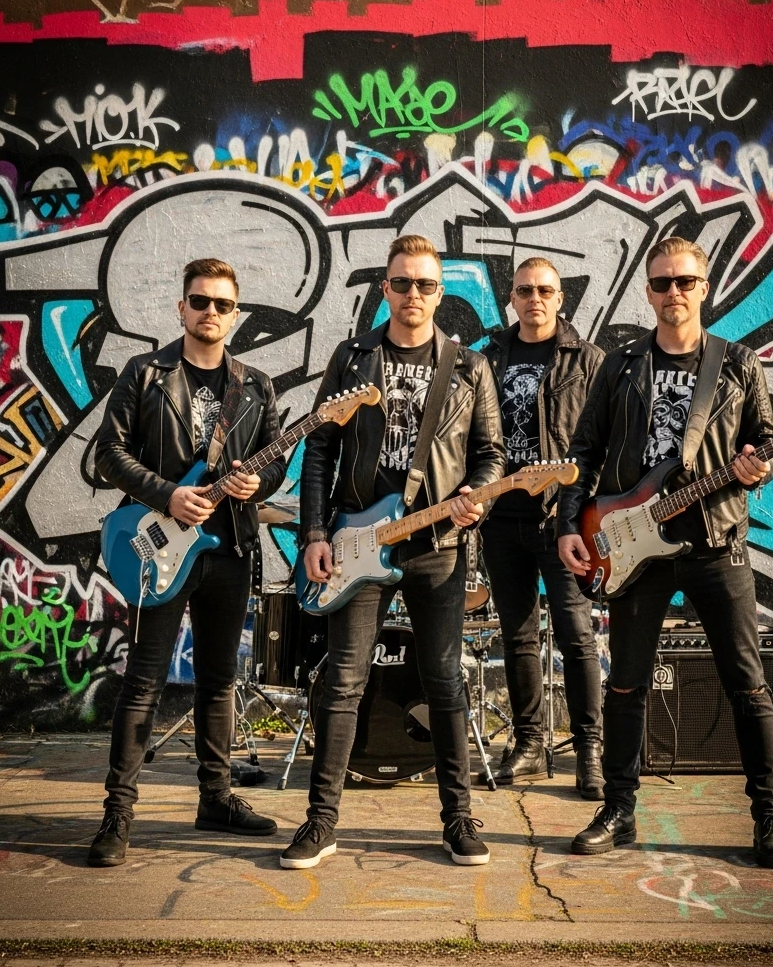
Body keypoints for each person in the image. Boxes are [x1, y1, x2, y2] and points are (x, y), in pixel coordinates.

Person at [557, 236, 773, 869]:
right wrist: (569, 525)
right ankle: (619, 808)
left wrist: (755, 471)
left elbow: (766, 442)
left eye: (684, 281)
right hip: (633, 545)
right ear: (648, 290)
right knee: (627, 684)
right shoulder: (622, 364)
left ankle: (768, 819)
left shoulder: (737, 364)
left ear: (705, 284)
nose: (673, 294)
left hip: (716, 542)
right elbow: (585, 448)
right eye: (661, 283)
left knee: (747, 686)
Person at [286, 234, 506, 869]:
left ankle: (457, 820)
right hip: (357, 541)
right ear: (385, 289)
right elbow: (319, 449)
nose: (414, 294)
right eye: (403, 283)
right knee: (344, 681)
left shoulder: (469, 366)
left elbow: (490, 453)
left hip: (438, 543)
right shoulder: (351, 357)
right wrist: (314, 535)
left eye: (426, 284)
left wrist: (480, 495)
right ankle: (320, 822)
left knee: (445, 682)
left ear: (441, 293)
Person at [88, 258, 285, 866]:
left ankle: (216, 798)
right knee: (144, 680)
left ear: (235, 314)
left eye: (223, 305)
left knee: (219, 680)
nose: (210, 313)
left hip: (227, 549)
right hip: (161, 547)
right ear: (181, 308)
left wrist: (261, 482)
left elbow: (276, 459)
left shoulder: (255, 386)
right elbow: (108, 455)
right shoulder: (146, 374)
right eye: (200, 301)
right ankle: (117, 816)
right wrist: (166, 493)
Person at [481, 257, 605, 793]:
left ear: (561, 298)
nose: (536, 299)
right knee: (519, 636)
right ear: (512, 297)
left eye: (546, 290)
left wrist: (578, 510)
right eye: (526, 290)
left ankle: (589, 750)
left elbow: (600, 443)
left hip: (563, 523)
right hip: (502, 518)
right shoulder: (487, 356)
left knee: (577, 638)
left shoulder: (589, 360)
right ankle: (530, 743)